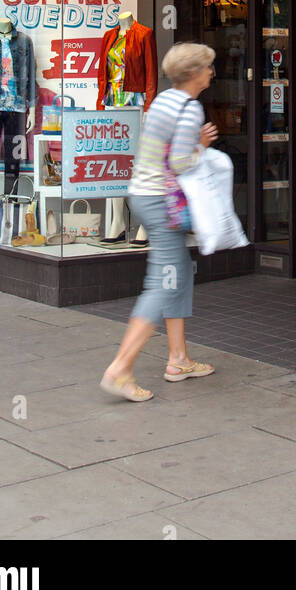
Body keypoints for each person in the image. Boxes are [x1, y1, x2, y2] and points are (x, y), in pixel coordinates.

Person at [100, 42, 219, 401]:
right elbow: (181, 163)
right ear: (195, 73)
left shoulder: (163, 101)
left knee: (178, 272)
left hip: (143, 195)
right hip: (162, 202)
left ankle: (178, 359)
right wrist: (201, 146)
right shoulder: (190, 108)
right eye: (209, 67)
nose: (212, 72)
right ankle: (120, 368)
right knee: (163, 283)